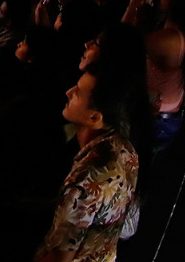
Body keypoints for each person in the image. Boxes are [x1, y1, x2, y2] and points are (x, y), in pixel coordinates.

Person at [34, 69, 139, 262]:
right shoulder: (125, 148)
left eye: (78, 92)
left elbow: (60, 257)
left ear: (94, 117)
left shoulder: (87, 177)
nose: (68, 92)